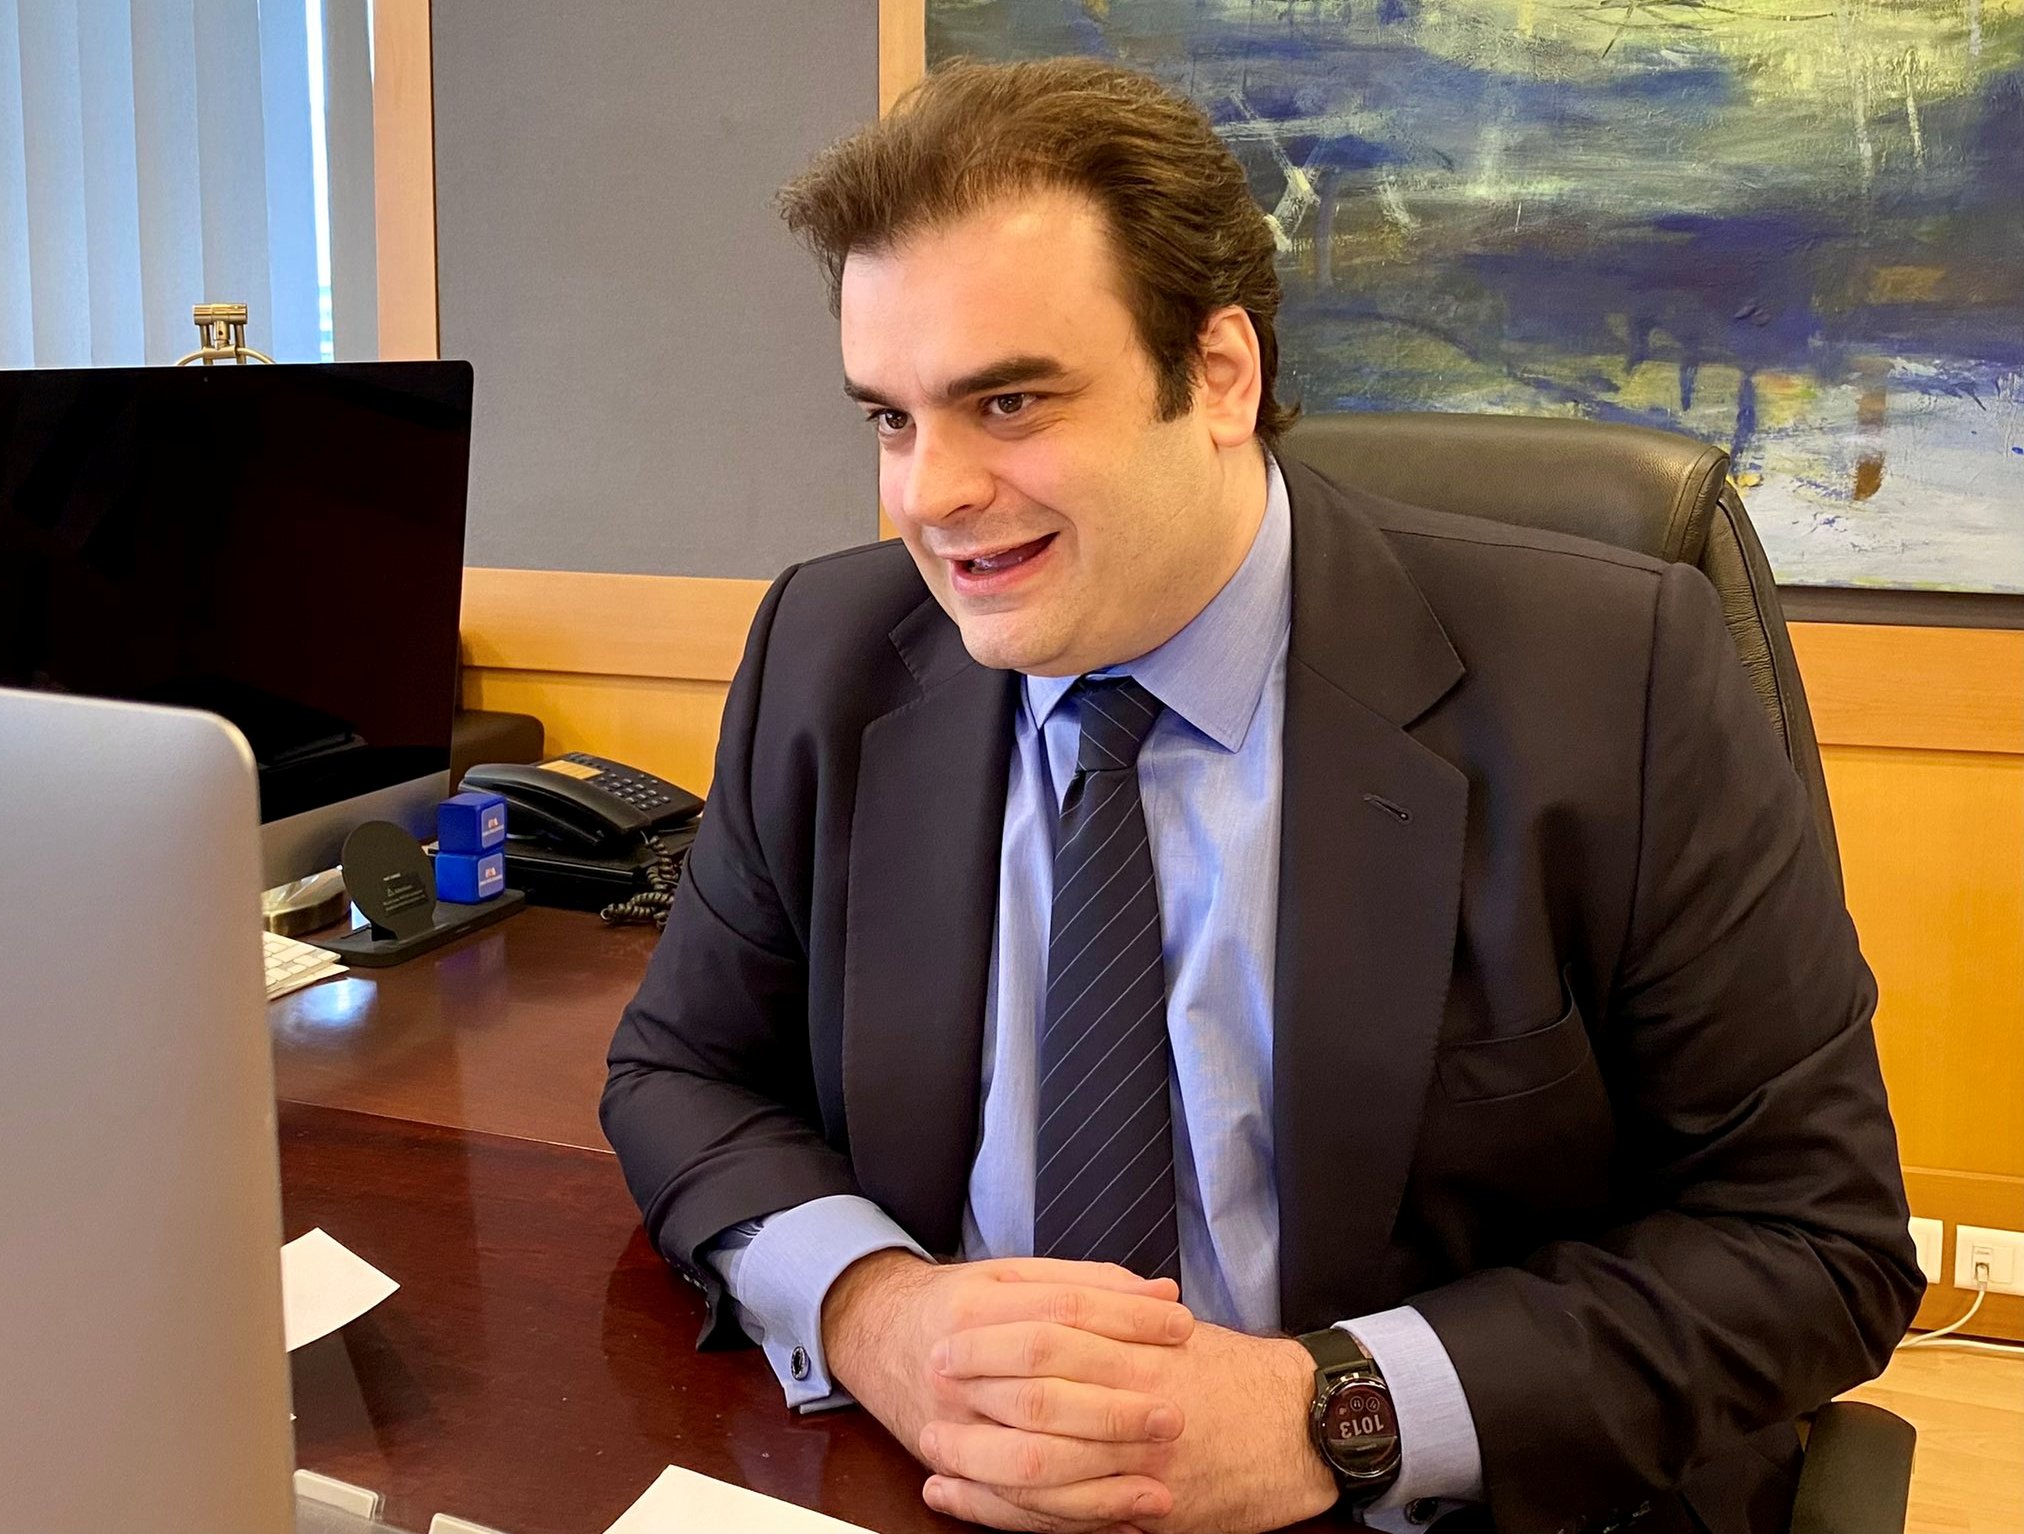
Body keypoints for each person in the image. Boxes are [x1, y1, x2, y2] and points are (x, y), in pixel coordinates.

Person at [601, 57, 1921, 1534]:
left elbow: (1812, 1240)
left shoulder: (1612, 680)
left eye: (1010, 401)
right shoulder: (830, 656)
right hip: (956, 1490)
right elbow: (679, 1073)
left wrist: (1331, 1411)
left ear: (1220, 372)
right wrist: (872, 1308)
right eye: (891, 420)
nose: (930, 494)